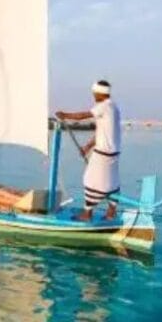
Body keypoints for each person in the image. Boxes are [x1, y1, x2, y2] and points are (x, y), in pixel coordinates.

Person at [56, 79, 121, 220]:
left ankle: (87, 213)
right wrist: (87, 147)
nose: (93, 95)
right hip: (113, 153)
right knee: (111, 181)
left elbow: (83, 116)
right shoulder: (113, 108)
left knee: (90, 180)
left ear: (100, 93)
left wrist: (65, 115)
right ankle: (111, 211)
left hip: (103, 153)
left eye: (94, 93)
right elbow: (101, 133)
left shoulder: (103, 106)